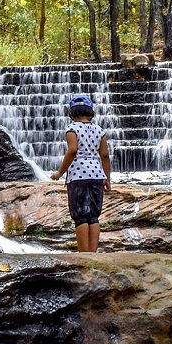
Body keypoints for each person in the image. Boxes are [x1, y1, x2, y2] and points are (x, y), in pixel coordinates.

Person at [50, 94, 111, 252]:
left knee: (80, 215)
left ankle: (83, 254)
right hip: (97, 175)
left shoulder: (72, 129)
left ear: (72, 113)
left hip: (78, 175)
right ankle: (93, 253)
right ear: (91, 112)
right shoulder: (99, 131)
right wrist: (107, 178)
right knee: (93, 215)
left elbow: (72, 151)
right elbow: (104, 155)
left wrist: (59, 173)